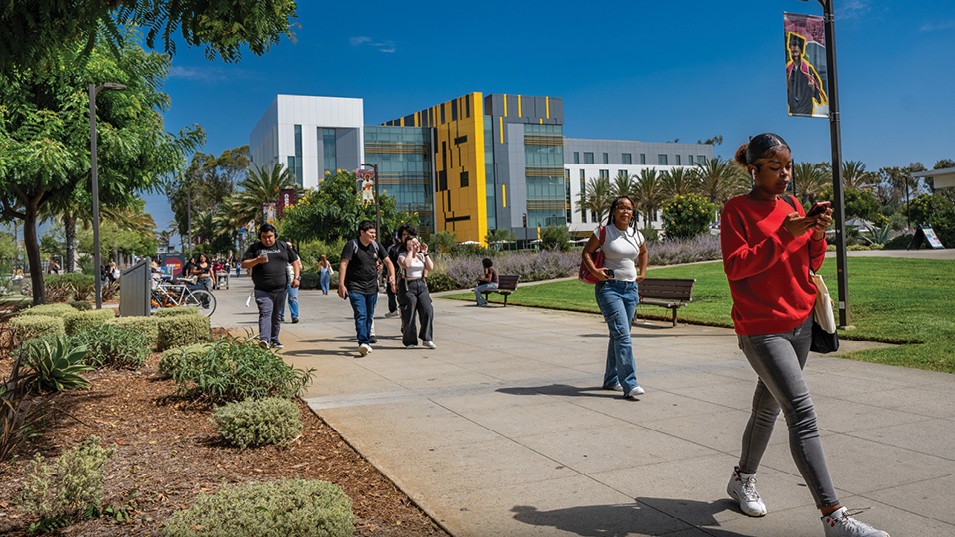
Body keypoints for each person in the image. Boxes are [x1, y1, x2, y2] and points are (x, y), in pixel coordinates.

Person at [721, 133, 889, 537]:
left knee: (768, 408)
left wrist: (814, 235)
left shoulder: (794, 206)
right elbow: (736, 267)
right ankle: (834, 517)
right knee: (802, 413)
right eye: (776, 168)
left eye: (789, 166)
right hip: (762, 328)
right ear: (755, 168)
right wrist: (785, 233)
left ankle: (742, 478)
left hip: (799, 323)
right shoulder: (736, 210)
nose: (785, 175)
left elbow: (809, 263)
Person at [580, 195, 649, 400]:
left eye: (629, 208)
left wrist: (643, 271)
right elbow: (586, 253)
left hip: (630, 290)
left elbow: (644, 252)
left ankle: (611, 379)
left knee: (619, 334)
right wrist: (595, 271)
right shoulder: (604, 232)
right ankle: (630, 383)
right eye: (621, 207)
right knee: (623, 336)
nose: (625, 211)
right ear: (613, 211)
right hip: (609, 289)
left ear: (632, 213)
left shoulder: (636, 234)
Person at [338, 220, 396, 356]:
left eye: (375, 233)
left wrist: (392, 275)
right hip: (355, 286)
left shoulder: (376, 246)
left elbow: (388, 262)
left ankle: (367, 342)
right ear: (362, 232)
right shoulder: (352, 245)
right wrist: (341, 284)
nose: (373, 235)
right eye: (371, 233)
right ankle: (363, 342)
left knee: (369, 315)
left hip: (372, 287)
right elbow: (343, 265)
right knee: (361, 314)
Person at [241, 223, 300, 350]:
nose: (267, 240)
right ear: (260, 237)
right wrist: (257, 260)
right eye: (264, 237)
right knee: (265, 312)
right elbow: (244, 264)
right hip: (262, 289)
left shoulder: (283, 246)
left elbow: (295, 261)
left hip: (281, 289)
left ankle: (274, 339)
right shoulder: (255, 248)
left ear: (275, 235)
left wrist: (296, 278)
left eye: (270, 236)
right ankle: (264, 340)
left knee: (276, 315)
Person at [397, 235, 435, 349]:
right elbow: (407, 265)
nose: (416, 245)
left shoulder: (421, 256)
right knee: (409, 313)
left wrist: (425, 253)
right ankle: (410, 341)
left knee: (428, 310)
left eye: (417, 243)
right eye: (413, 243)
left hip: (422, 285)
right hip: (409, 286)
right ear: (407, 245)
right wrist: (410, 251)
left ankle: (427, 338)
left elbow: (430, 267)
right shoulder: (402, 256)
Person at [786, 32, 827, 117]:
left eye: (796, 52)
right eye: (792, 52)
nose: (794, 54)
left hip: (806, 106)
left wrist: (812, 87)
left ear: (801, 51)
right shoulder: (789, 69)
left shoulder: (807, 69)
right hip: (793, 106)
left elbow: (816, 89)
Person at [385, 225, 416, 319]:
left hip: (416, 281)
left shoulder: (417, 247)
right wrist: (392, 281)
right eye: (404, 234)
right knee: (404, 305)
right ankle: (405, 325)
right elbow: (391, 266)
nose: (406, 237)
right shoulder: (395, 249)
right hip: (401, 280)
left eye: (409, 234)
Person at [281, 241, 302, 323]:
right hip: (282, 279)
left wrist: (297, 277)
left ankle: (294, 316)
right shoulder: (281, 256)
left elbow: (300, 266)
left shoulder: (295, 256)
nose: (288, 247)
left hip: (292, 279)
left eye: (290, 246)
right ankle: (280, 316)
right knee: (280, 299)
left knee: (293, 298)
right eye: (286, 246)